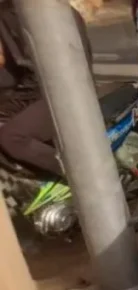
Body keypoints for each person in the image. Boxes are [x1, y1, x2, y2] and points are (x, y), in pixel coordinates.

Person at [0, 3, 94, 177]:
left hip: (67, 93)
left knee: (12, 137)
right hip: (34, 91)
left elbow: (72, 68)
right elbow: (13, 69)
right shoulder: (8, 13)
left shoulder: (47, 13)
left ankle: (81, 174)